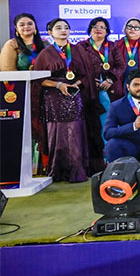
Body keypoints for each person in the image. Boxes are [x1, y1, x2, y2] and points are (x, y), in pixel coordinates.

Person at [32, 18, 94, 182]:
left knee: (76, 131)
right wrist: (58, 85)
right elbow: (39, 80)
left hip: (74, 96)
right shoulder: (45, 53)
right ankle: (57, 170)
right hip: (53, 98)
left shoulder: (78, 50)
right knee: (56, 132)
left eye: (66, 27)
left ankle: (77, 169)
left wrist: (75, 85)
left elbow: (87, 75)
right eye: (58, 28)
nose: (63, 30)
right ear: (50, 32)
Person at [1, 13, 48, 172]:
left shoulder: (45, 44)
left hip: (45, 92)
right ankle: (27, 169)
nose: (26, 27)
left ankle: (45, 167)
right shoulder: (12, 45)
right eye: (22, 24)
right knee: (27, 129)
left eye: (29, 23)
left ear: (35, 27)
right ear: (16, 29)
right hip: (22, 94)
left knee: (44, 128)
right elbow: (7, 72)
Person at [77, 18, 126, 158]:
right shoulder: (81, 46)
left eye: (102, 27)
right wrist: (90, 80)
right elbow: (77, 66)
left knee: (110, 121)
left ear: (107, 31)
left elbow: (121, 66)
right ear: (90, 29)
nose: (98, 29)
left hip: (111, 89)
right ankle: (94, 156)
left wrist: (110, 79)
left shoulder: (112, 46)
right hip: (89, 89)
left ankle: (110, 153)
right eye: (95, 26)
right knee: (91, 123)